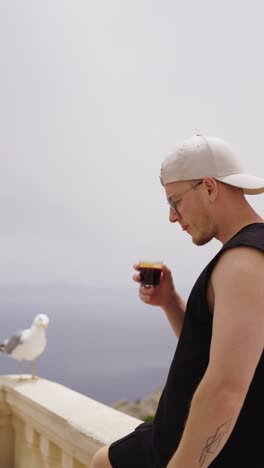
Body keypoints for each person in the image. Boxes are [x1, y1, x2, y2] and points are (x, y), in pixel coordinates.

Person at [92, 135, 264, 467]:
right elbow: (218, 349)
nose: (173, 217)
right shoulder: (248, 255)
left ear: (210, 188)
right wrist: (171, 302)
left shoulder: (243, 261)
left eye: (176, 201)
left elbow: (226, 390)